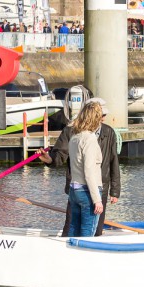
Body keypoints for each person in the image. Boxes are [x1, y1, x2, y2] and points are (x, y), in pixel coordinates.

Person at [40, 97, 120, 237]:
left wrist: (115, 190)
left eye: (104, 115)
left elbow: (113, 161)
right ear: (92, 116)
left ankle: (76, 251)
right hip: (88, 190)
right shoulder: (75, 133)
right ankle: (83, 252)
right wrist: (49, 159)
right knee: (85, 230)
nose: (103, 118)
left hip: (87, 188)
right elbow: (64, 157)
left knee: (88, 230)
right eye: (101, 115)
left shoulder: (108, 133)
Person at [63, 100, 105, 237]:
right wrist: (97, 199)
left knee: (73, 228)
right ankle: (84, 255)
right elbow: (89, 172)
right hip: (87, 191)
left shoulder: (74, 138)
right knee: (88, 231)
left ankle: (70, 254)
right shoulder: (90, 140)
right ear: (96, 119)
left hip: (74, 189)